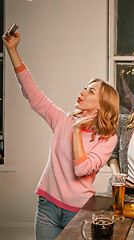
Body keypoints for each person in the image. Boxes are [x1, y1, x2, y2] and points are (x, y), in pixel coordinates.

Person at [3, 33, 119, 239]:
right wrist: (12, 50)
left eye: (90, 91)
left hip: (78, 210)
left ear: (103, 105)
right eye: (85, 88)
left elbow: (81, 169)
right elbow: (33, 93)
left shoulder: (107, 138)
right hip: (47, 206)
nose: (82, 92)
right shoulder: (62, 120)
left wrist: (76, 131)